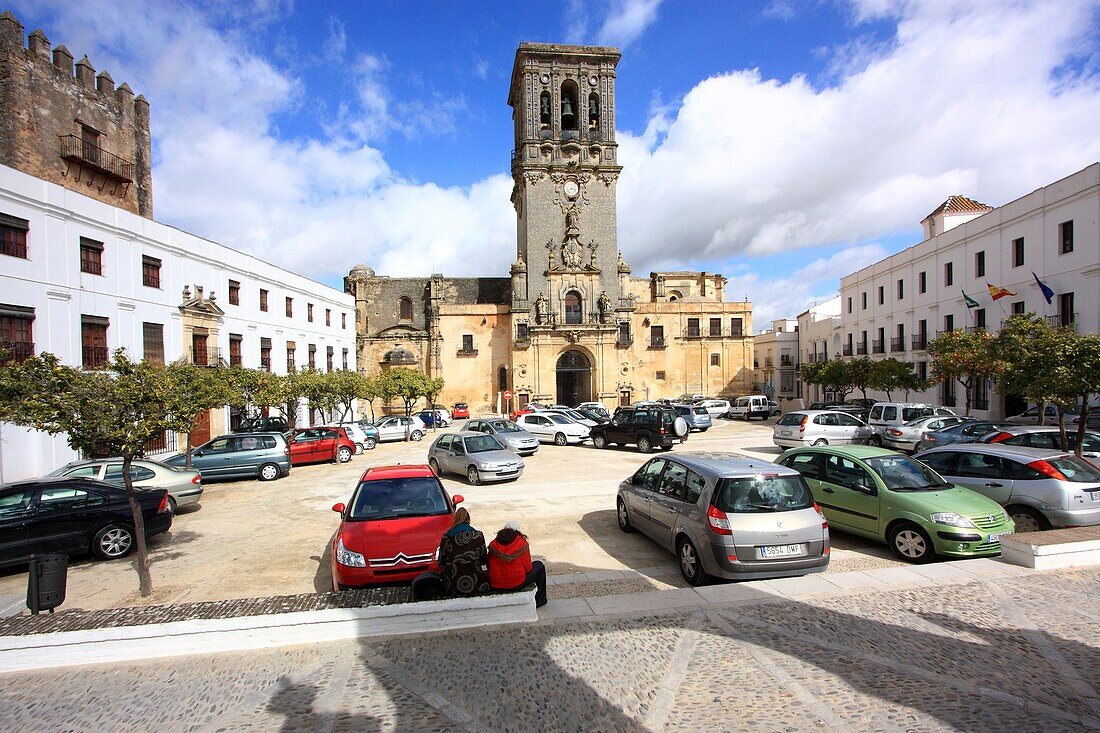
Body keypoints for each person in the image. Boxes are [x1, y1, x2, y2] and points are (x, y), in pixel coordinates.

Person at [412, 507, 490, 601]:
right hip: (476, 583)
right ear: (469, 520)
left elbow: (441, 563)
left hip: (452, 584)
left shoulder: (446, 537)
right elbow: (483, 560)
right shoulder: (478, 535)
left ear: (455, 520)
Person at [487, 521, 547, 608]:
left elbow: (489, 565)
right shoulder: (521, 543)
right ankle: (540, 600)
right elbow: (528, 568)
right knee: (539, 566)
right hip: (516, 583)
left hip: (496, 584)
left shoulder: (493, 544)